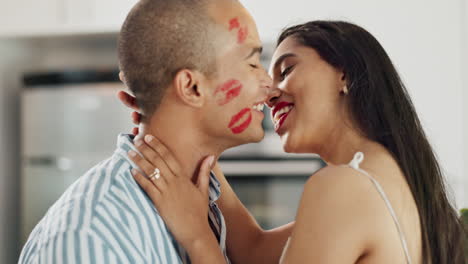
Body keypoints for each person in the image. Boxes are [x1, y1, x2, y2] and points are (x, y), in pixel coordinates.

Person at [126, 21, 466, 263]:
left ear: (343, 73)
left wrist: (197, 235)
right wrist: (197, 138)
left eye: (286, 70)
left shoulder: (345, 185)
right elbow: (253, 250)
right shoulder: (388, 176)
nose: (271, 92)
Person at [18, 0, 294, 263]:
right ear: (191, 88)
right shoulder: (93, 235)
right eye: (252, 63)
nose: (271, 85)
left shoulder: (201, 200)